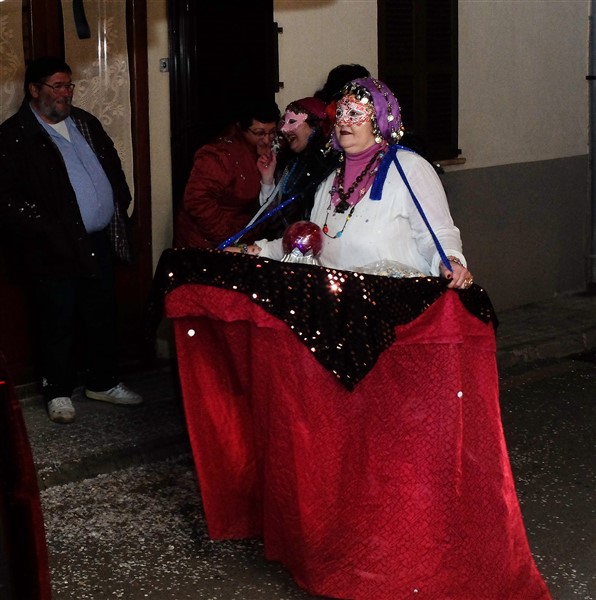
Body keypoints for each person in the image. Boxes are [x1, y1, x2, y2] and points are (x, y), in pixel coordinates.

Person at [0, 57, 143, 424]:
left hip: (97, 239)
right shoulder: (15, 135)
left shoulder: (84, 122)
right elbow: (7, 198)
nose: (66, 93)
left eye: (69, 86)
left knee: (100, 313)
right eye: (58, 86)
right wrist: (48, 230)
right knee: (56, 320)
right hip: (52, 247)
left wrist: (118, 199)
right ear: (34, 90)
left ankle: (102, 382)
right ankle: (58, 391)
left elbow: (111, 165)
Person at [228, 77, 473, 290]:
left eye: (354, 114)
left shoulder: (409, 168)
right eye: (340, 114)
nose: (343, 121)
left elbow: (438, 233)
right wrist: (251, 250)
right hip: (339, 310)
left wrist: (449, 262)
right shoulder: (330, 179)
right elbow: (309, 240)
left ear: (378, 119)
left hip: (395, 308)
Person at [173, 98, 281, 249]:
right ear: (241, 128)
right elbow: (197, 199)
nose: (267, 139)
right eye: (259, 133)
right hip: (206, 242)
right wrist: (228, 239)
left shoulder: (266, 151)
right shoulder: (219, 155)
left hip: (241, 237)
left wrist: (267, 178)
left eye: (272, 132)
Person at [246, 96, 338, 241]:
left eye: (292, 121)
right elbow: (272, 220)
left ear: (315, 125)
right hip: (281, 247)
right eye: (283, 122)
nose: (283, 129)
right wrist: (268, 180)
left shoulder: (330, 169)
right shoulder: (289, 164)